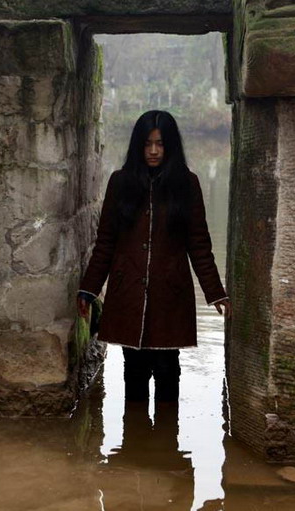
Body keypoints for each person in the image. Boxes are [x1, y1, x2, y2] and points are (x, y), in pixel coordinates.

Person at [77, 110, 230, 403]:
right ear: (138, 145)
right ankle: (136, 432)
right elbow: (105, 243)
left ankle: (166, 430)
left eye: (160, 144)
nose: (153, 151)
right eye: (147, 144)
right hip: (128, 292)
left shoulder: (187, 184)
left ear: (170, 146)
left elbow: (199, 244)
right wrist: (89, 288)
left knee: (167, 370)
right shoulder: (119, 182)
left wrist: (215, 293)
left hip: (170, 294)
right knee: (133, 372)